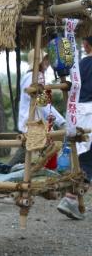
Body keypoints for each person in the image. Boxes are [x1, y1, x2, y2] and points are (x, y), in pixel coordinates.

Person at [11, 49, 66, 166]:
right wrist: (61, 121)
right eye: (44, 59)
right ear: (38, 61)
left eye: (47, 59)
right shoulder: (36, 76)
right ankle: (5, 171)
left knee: (36, 150)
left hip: (31, 121)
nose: (47, 62)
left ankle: (8, 170)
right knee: (48, 148)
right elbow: (43, 103)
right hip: (33, 122)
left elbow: (42, 102)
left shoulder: (28, 76)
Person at [57, 36, 92, 220]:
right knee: (86, 161)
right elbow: (43, 101)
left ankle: (72, 199)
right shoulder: (36, 77)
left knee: (80, 159)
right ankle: (70, 198)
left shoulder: (79, 66)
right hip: (86, 115)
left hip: (75, 114)